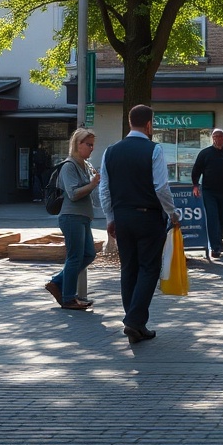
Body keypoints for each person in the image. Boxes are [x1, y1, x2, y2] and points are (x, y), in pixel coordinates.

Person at [98, 104, 179, 343]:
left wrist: (110, 218)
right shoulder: (153, 149)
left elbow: (104, 189)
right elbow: (161, 187)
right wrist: (173, 214)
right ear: (149, 125)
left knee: (128, 268)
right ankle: (134, 321)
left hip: (122, 217)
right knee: (148, 268)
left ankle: (136, 322)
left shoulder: (110, 151)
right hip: (148, 217)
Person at [43, 128, 100, 311]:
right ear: (78, 144)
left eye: (92, 145)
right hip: (71, 216)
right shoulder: (69, 166)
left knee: (89, 254)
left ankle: (58, 282)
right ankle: (68, 298)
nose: (91, 149)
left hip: (82, 216)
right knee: (75, 257)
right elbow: (73, 193)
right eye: (88, 145)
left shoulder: (83, 165)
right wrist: (92, 185)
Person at [191, 128, 223, 259]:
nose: (217, 139)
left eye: (220, 136)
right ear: (212, 138)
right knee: (213, 219)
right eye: (215, 136)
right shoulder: (205, 153)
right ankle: (216, 248)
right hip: (209, 192)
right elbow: (196, 170)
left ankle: (218, 238)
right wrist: (195, 185)